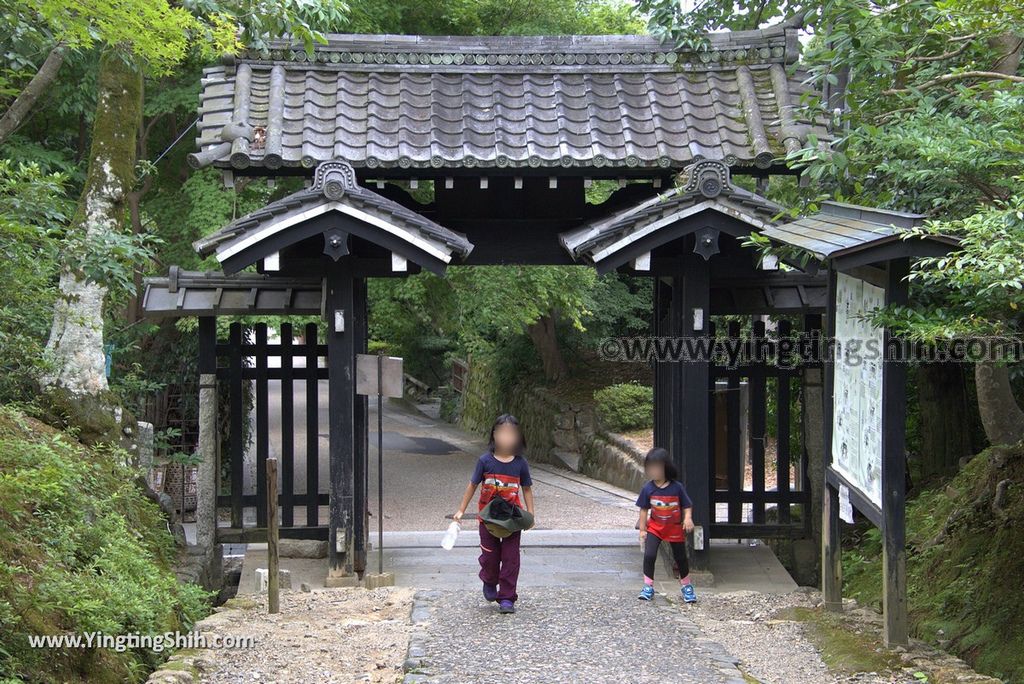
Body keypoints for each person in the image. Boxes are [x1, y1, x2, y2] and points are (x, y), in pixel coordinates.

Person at [453, 414, 534, 614]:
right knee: (490, 557)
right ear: (494, 435)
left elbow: (527, 489)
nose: (506, 438)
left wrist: (531, 514)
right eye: (502, 433)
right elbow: (472, 485)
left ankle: (507, 597)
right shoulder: (484, 461)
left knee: (511, 558)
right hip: (487, 519)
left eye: (511, 434)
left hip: (512, 520)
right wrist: (461, 510)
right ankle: (489, 580)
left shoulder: (520, 464)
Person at [636, 447, 697, 603]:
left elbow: (687, 505)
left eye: (657, 467)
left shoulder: (677, 488)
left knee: (681, 558)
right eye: (651, 467)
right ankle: (648, 586)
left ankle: (686, 586)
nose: (653, 470)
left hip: (674, 527)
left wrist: (688, 518)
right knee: (649, 555)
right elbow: (643, 510)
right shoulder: (647, 488)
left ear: (666, 468)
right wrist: (642, 530)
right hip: (655, 527)